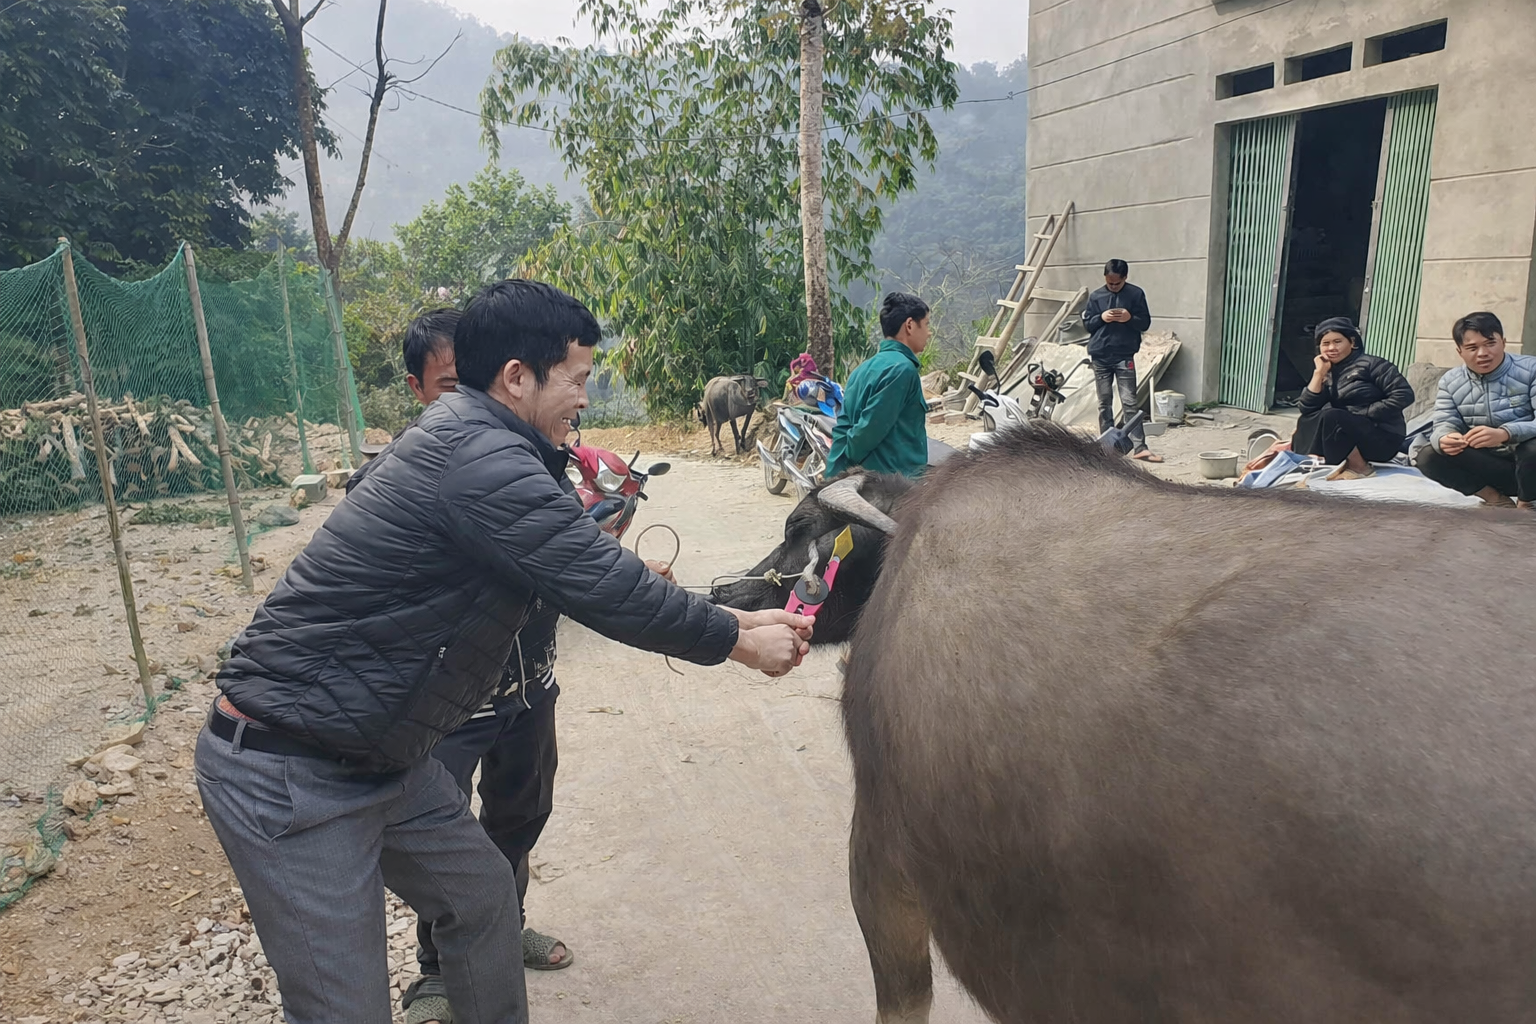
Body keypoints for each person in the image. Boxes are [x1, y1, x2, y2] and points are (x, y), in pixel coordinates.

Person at [197, 280, 812, 1024]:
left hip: (382, 755)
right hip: (291, 766)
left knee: (482, 899)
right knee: (343, 1007)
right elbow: (598, 581)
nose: (585, 398)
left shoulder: (487, 443)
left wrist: (736, 618)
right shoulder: (477, 454)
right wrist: (738, 643)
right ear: (517, 377)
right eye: (576, 379)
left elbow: (578, 567)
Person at [349, 310, 616, 1023]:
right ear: (418, 390)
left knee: (520, 814)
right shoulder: (404, 475)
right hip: (451, 703)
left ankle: (504, 925)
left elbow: (566, 559)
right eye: (450, 386)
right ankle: (437, 972)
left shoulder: (533, 461)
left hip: (529, 687)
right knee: (446, 839)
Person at [1415, 311, 1536, 508]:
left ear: (1503, 342)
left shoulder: (1531, 369)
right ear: (1459, 351)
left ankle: (1526, 503)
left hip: (1530, 466)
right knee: (1428, 456)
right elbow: (1444, 422)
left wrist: (1505, 433)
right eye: (1472, 348)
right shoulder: (1450, 381)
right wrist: (1445, 438)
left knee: (1533, 448)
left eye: (1490, 343)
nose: (1482, 353)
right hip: (1494, 465)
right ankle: (1495, 498)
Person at [1292, 317, 1414, 480]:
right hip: (1349, 434)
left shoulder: (1374, 365)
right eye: (1325, 343)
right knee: (1307, 419)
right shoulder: (1327, 370)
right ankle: (1309, 463)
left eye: (1337, 341)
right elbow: (1306, 408)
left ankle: (1360, 467)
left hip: (1382, 436)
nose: (1331, 348)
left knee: (1332, 415)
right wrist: (1318, 373)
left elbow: (1404, 394)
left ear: (1352, 342)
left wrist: (1365, 413)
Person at [825, 292, 931, 479]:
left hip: (859, 477)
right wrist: (850, 463)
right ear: (910, 325)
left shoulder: (861, 369)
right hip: (892, 483)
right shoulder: (902, 370)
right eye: (927, 324)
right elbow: (868, 431)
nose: (929, 333)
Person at [1083, 259, 1160, 463]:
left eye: (1117, 283)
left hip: (1124, 355)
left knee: (1129, 401)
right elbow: (1087, 325)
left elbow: (1145, 323)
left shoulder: (1135, 294)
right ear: (1105, 278)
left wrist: (1129, 318)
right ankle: (1107, 447)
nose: (1113, 286)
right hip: (1100, 355)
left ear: (1125, 278)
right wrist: (1101, 317)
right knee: (1104, 402)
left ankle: (1140, 447)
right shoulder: (1096, 296)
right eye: (1109, 283)